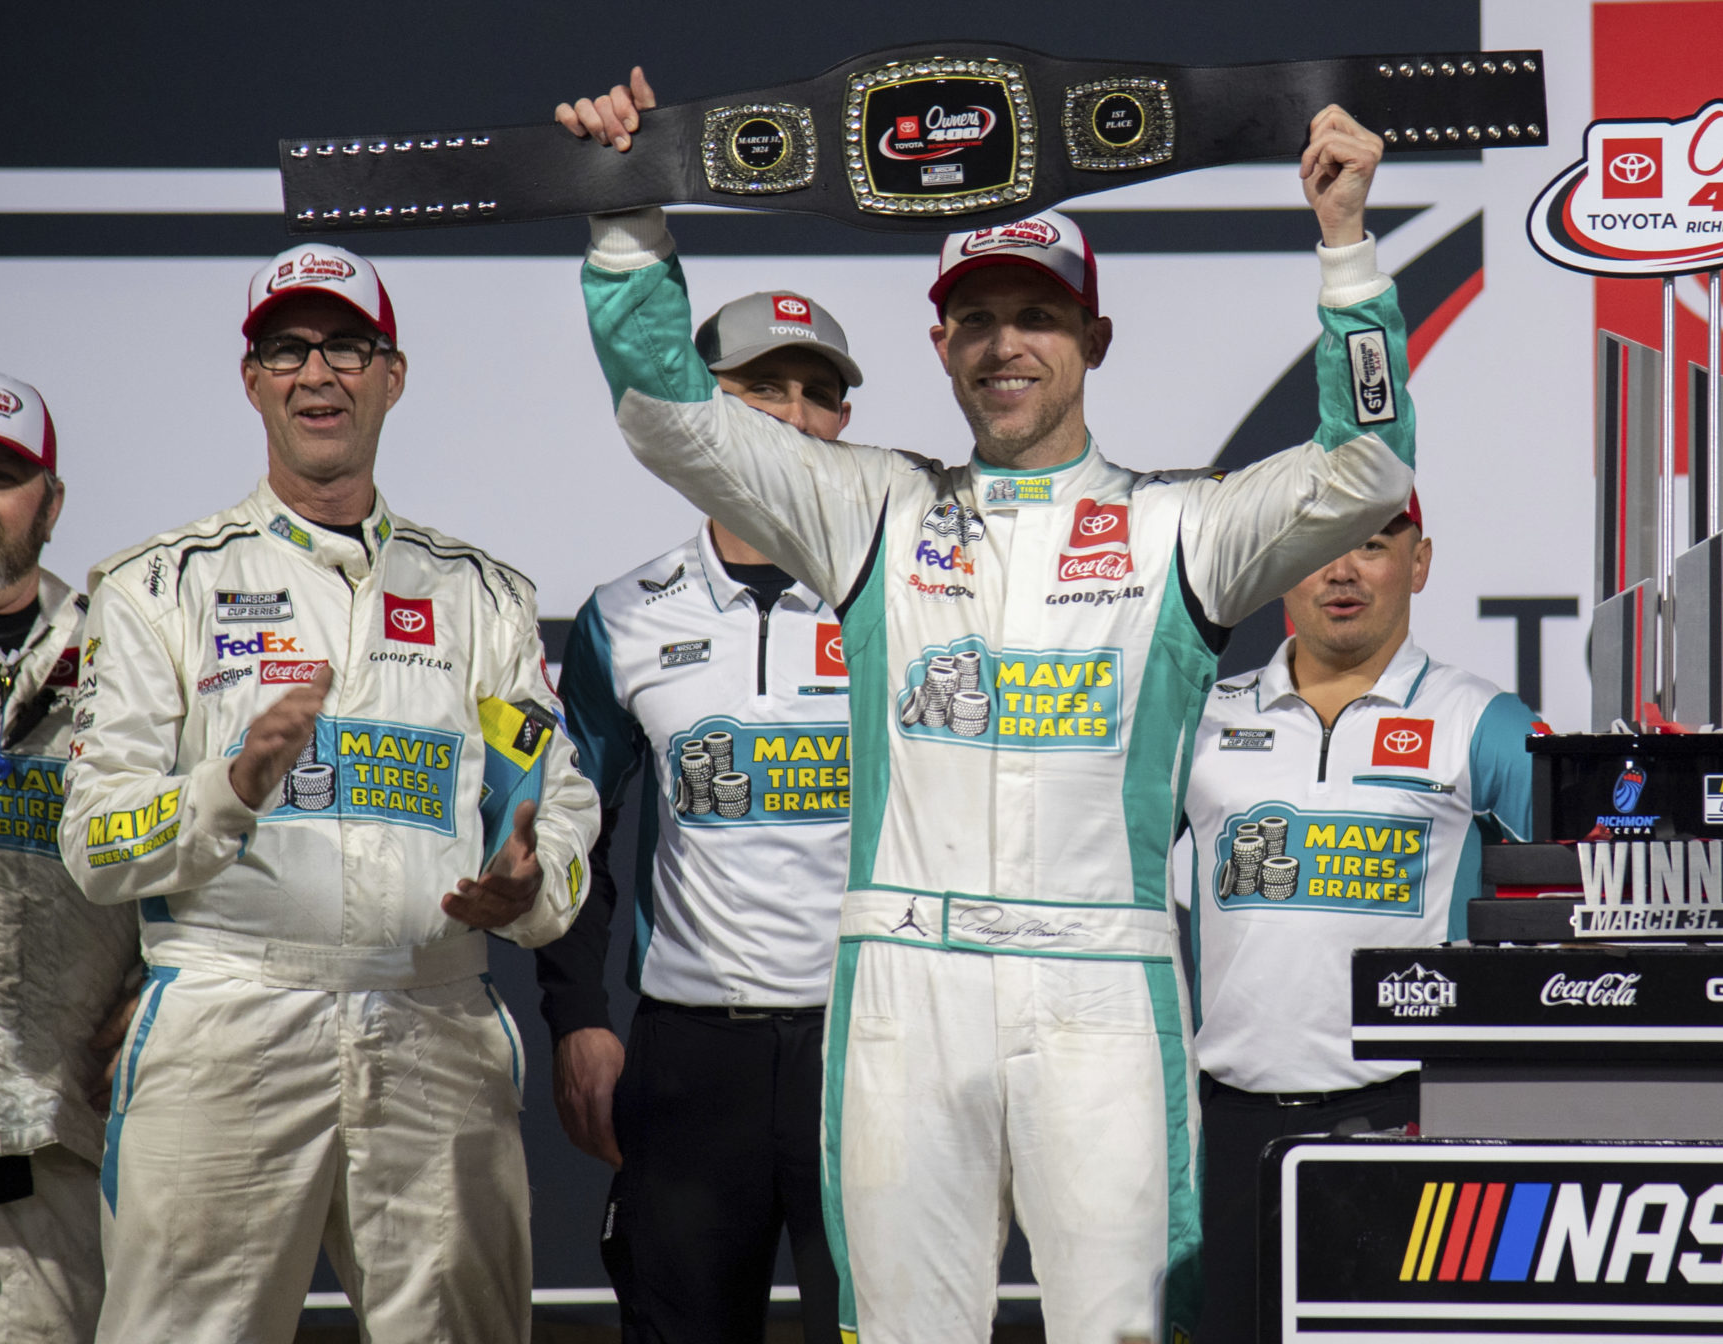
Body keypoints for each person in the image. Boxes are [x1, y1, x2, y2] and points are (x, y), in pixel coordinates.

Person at [562, 67, 1414, 1344]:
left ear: (1094, 339)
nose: (1005, 344)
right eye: (977, 319)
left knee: (1122, 1326)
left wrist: (1345, 244)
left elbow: (1364, 467)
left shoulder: (1181, 525)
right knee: (906, 1327)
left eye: (1037, 316)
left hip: (1100, 987)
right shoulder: (876, 507)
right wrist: (628, 220)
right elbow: (674, 422)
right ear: (940, 346)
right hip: (906, 981)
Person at [60, 243, 600, 1343]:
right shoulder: (159, 583)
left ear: (391, 375)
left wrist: (532, 883)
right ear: (251, 379)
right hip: (226, 1013)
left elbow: (558, 799)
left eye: (346, 346)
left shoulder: (482, 594)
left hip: (436, 1013)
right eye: (288, 349)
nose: (319, 373)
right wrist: (229, 785)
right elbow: (95, 842)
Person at [535, 286, 862, 1341]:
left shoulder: (905, 596)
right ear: (701, 411)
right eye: (760, 388)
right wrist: (580, 1016)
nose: (794, 416)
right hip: (690, 1058)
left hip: (871, 1046)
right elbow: (569, 825)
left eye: (819, 393)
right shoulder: (627, 614)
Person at [1180, 495, 1533, 1343]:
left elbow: (1576, 915)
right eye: (1318, 547)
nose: (1342, 571)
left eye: (1373, 545)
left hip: (1407, 1122)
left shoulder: (1483, 720)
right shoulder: (1202, 716)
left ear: (1419, 563)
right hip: (1229, 1129)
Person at [0, 368, 135, 1340]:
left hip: (53, 1154)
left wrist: (177, 986)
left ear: (50, 504)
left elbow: (213, 857)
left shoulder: (132, 656)